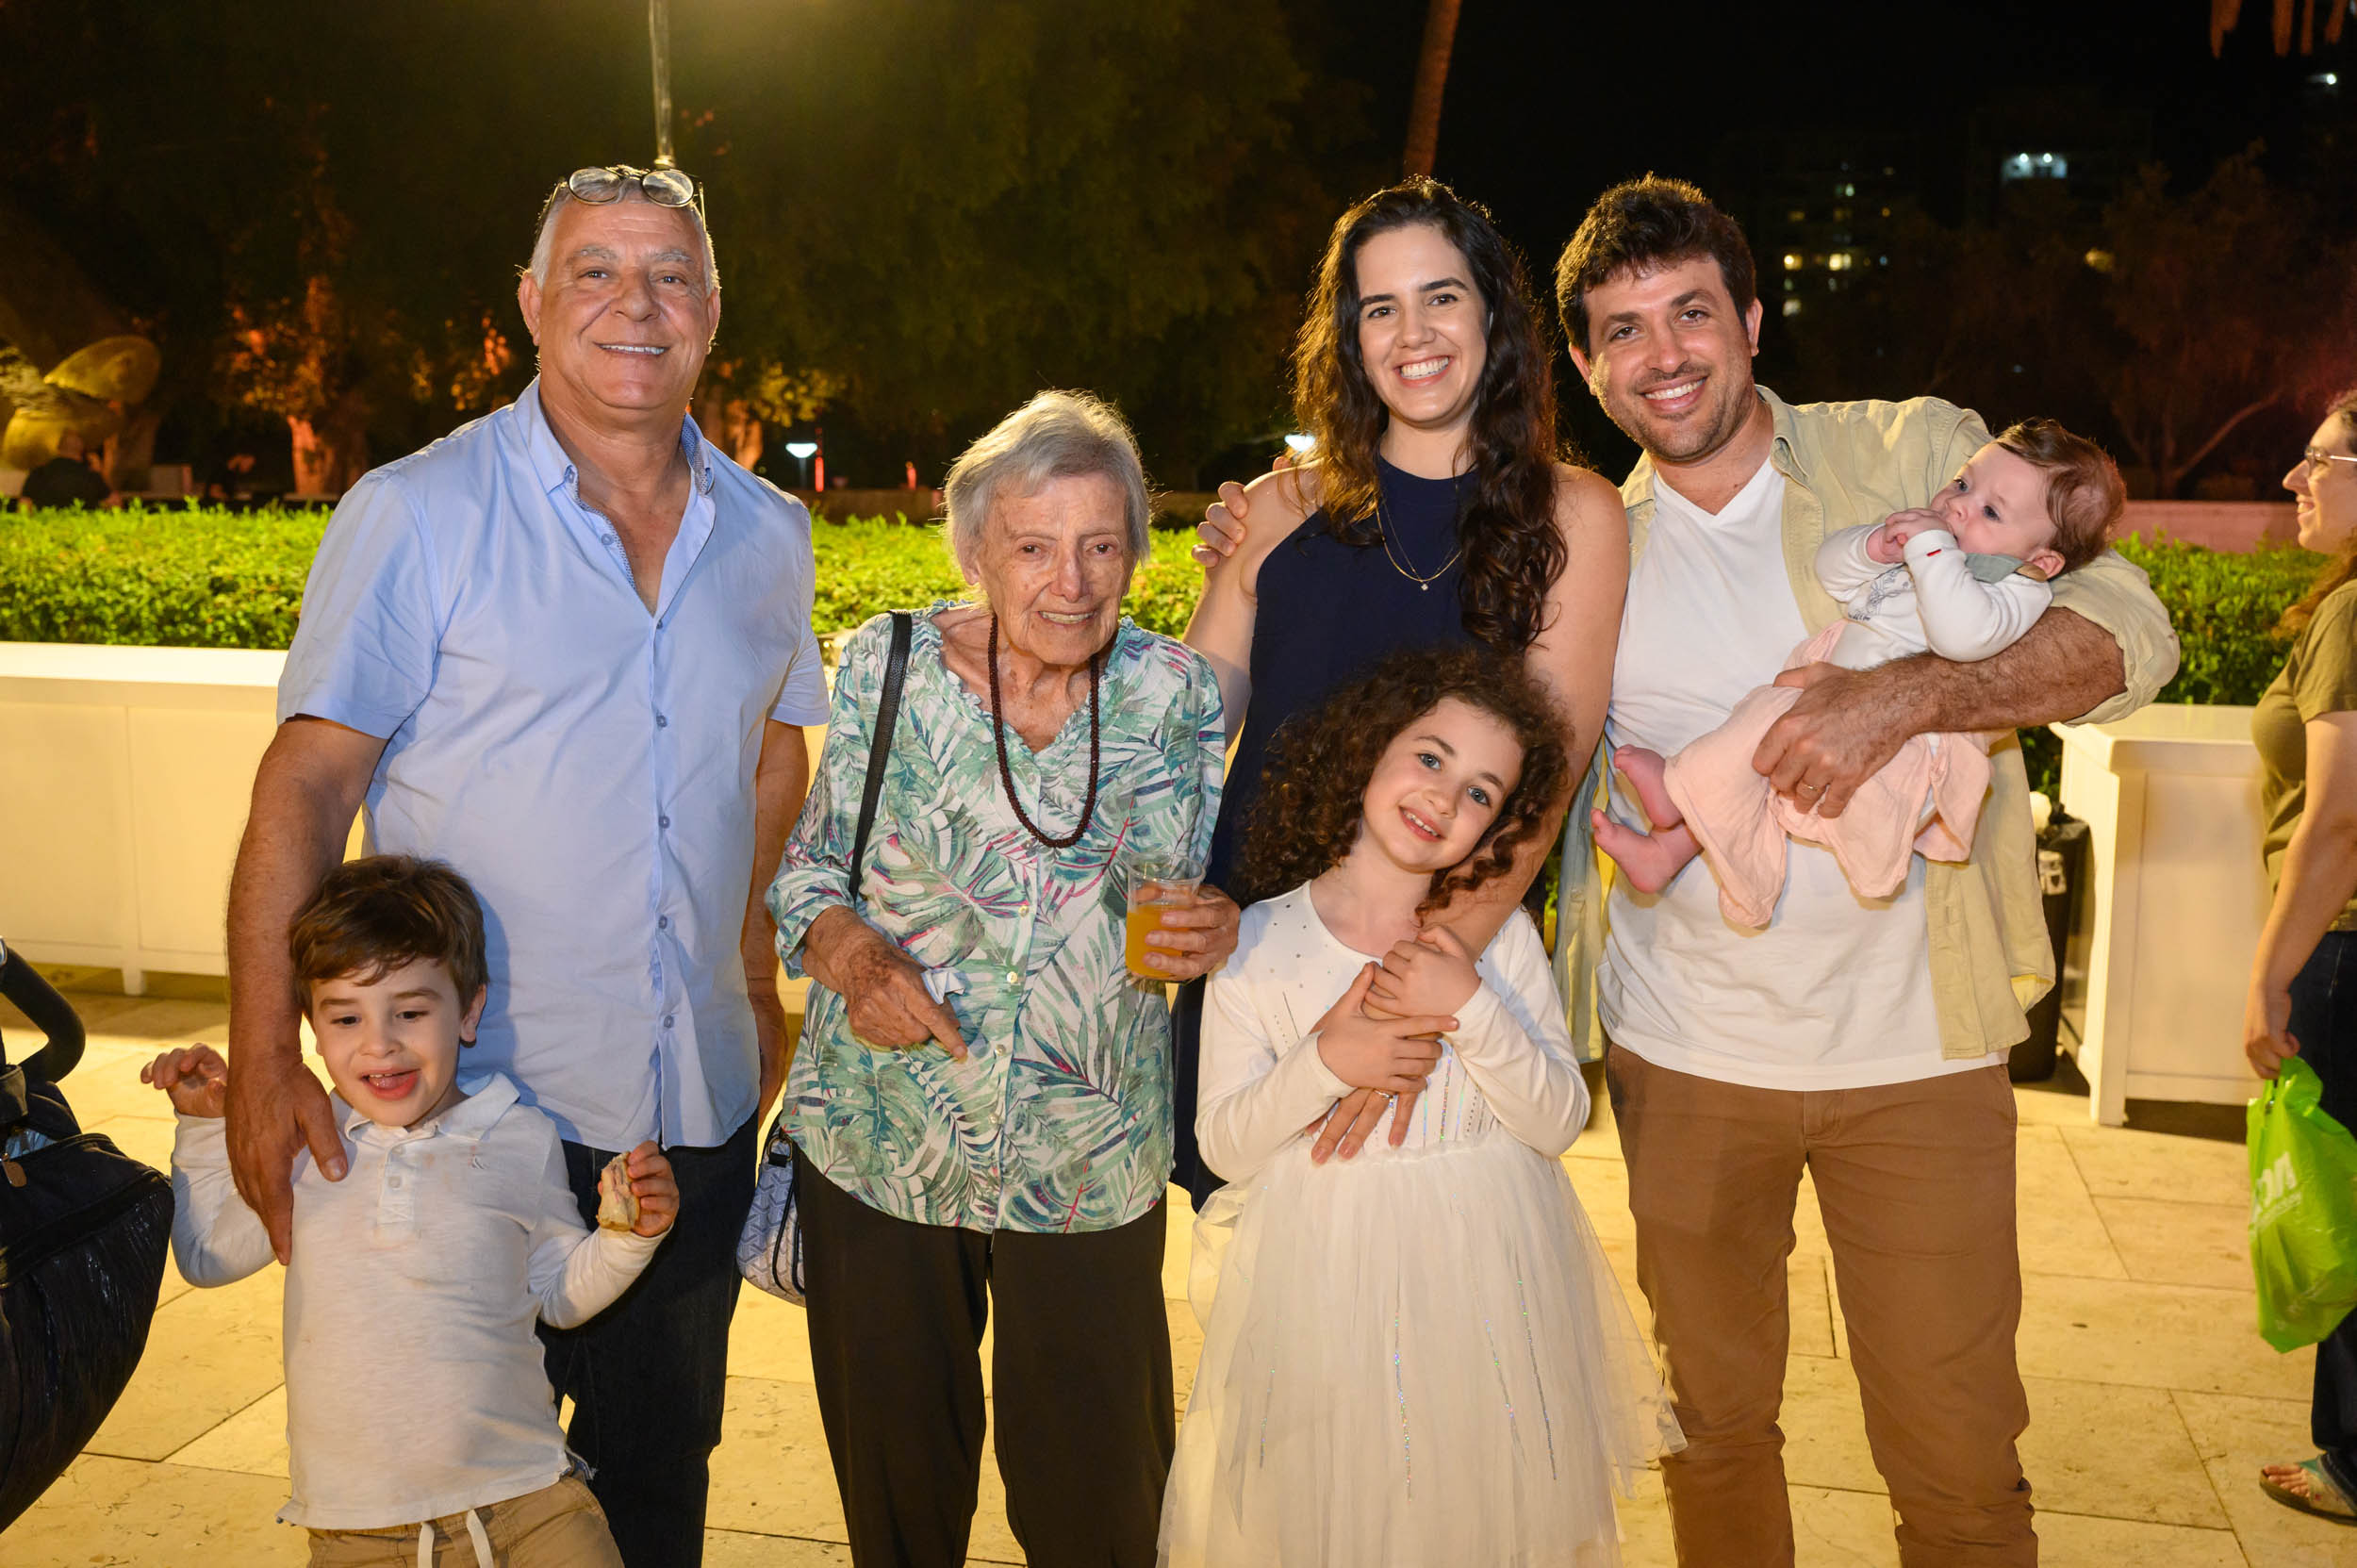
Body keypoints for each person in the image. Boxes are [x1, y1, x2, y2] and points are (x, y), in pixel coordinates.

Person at [1543, 177, 2177, 1567]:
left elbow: (2132, 631)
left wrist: (1905, 696)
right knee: (1711, 1436)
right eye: (1623, 329)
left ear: (1752, 319)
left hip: (1915, 1057)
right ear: (1587, 368)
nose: (1664, 354)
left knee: (1957, 1462)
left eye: (1691, 311)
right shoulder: (1586, 539)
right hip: (1685, 1055)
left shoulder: (1912, 453)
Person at [222, 161, 829, 1566]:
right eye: (596, 271)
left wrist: (752, 973)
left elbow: (768, 756)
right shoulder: (419, 511)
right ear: (532, 304)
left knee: (654, 1489)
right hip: (463, 1117)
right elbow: (307, 782)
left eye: (669, 275)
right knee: (430, 1505)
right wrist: (263, 1055)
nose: (636, 303)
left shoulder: (768, 532)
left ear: (712, 310)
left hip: (684, 1115)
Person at [767, 390, 1237, 1568]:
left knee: (1101, 1513)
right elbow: (804, 877)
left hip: (1088, 1157)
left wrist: (1218, 926)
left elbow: (1198, 893)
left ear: (1134, 551)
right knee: (900, 1505)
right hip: (883, 1142)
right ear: (975, 551)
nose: (1070, 582)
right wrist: (854, 957)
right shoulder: (885, 666)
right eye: (1033, 548)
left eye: (1100, 546)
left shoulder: (1175, 695)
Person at [1158, 649, 1679, 1568]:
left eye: (1480, 792)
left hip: (1486, 1285)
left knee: (1472, 1508)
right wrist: (1327, 1060)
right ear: (1369, 747)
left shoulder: (1498, 941)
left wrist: (1468, 1004)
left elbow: (1557, 1117)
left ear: (1498, 828)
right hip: (1324, 1287)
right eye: (1430, 757)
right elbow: (1222, 1146)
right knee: (1334, 1506)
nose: (1444, 796)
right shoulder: (1261, 940)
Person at [1179, 177, 1624, 1195]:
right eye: (1379, 307)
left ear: (1492, 314)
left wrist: (1401, 994)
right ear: (1350, 336)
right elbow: (1169, 744)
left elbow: (1540, 789)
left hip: (1439, 984)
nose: (1412, 333)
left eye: (1441, 296)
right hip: (1257, 979)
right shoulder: (1273, 512)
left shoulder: (1576, 518)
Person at [145, 856, 680, 1567]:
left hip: (530, 1505)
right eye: (347, 1016)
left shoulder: (519, 1137)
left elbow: (557, 1294)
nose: (380, 1043)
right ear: (312, 1027)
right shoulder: (305, 1146)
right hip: (358, 1534)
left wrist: (629, 1236)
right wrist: (206, 1128)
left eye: (411, 1011)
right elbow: (207, 1255)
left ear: (469, 1011)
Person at [1596, 419, 2126, 926]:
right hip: (1827, 708)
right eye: (1963, 483)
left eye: (1991, 512)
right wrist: (1874, 547)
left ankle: (1677, 791)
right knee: (1757, 742)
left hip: (1902, 752)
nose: (1958, 506)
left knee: (1769, 735)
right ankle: (1671, 846)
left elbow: (1960, 637)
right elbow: (1834, 575)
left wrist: (1931, 549)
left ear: (2042, 560)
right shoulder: (1930, 552)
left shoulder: (2015, 588)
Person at [2243, 388, 2357, 1522]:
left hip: (2344, 950)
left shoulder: (2353, 612)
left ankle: (2354, 1459)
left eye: (2319, 460)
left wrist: (2270, 974)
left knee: (2341, 1201)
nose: (2296, 480)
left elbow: (2337, 821)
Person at [18, 429, 112, 509]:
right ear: (81, 450)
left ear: (58, 447)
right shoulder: (91, 476)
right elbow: (113, 503)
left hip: (44, 524)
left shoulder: (39, 473)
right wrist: (100, 472)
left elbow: (24, 506)